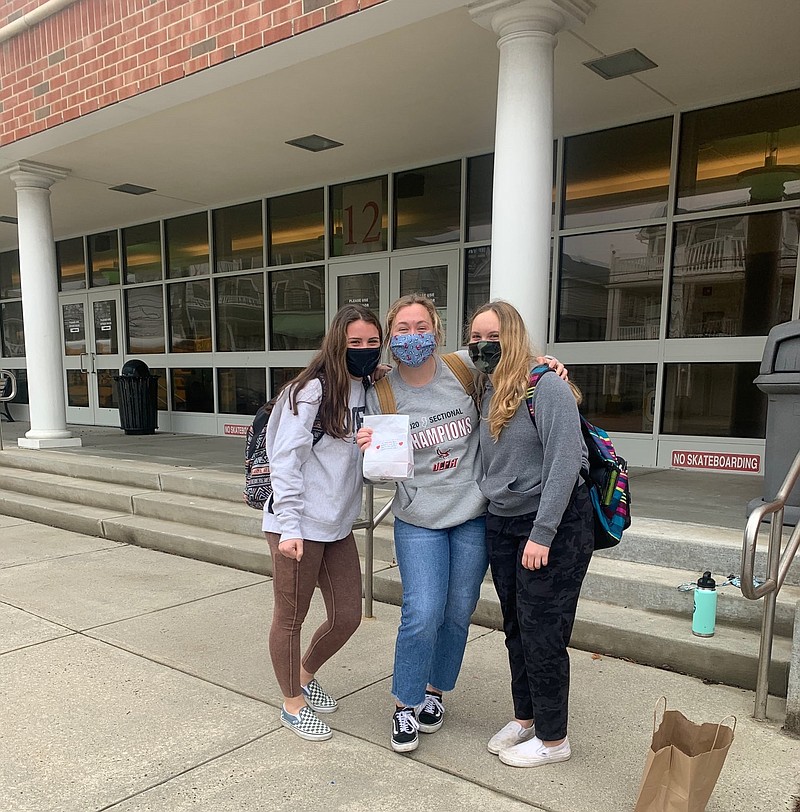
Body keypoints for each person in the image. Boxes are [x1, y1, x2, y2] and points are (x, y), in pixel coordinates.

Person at [356, 293, 565, 755]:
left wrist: (547, 364)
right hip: (418, 517)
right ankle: (404, 704)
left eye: (421, 327)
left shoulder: (464, 370)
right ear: (392, 337)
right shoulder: (381, 390)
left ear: (437, 330)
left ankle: (435, 692)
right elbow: (376, 463)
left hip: (473, 514)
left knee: (457, 612)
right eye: (403, 329)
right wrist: (368, 446)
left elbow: (514, 368)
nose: (413, 337)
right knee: (423, 611)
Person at [469, 300, 594, 768]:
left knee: (544, 633)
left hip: (552, 527)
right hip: (502, 521)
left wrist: (542, 534)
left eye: (493, 336)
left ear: (515, 337)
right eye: (476, 336)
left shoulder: (547, 388)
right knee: (517, 629)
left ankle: (554, 739)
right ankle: (526, 717)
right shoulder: (487, 387)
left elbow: (565, 462)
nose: (483, 345)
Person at [263, 303, 383, 741]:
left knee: (348, 615)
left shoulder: (369, 388)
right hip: (296, 524)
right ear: (337, 342)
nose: (365, 350)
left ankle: (305, 672)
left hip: (336, 524)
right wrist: (290, 526)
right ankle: (292, 702)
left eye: (372, 342)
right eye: (355, 343)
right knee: (291, 617)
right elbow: (286, 460)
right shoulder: (310, 391)